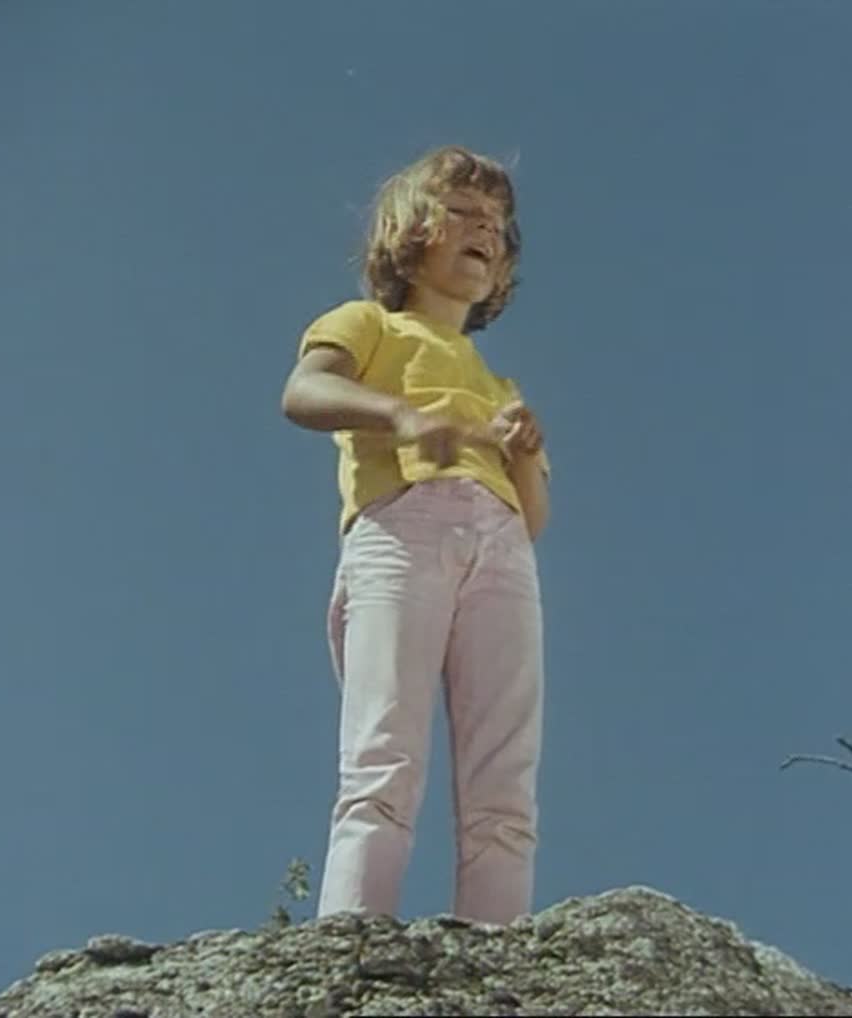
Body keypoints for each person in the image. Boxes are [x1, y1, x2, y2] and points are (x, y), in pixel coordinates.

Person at [280, 145, 550, 924]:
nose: (485, 230)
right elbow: (304, 391)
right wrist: (397, 414)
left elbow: (533, 518)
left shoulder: (499, 384)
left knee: (506, 774)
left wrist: (523, 454)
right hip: (402, 530)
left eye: (496, 222)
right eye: (462, 213)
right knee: (384, 752)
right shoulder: (369, 324)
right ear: (409, 233)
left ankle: (496, 946)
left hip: (503, 550)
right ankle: (350, 941)